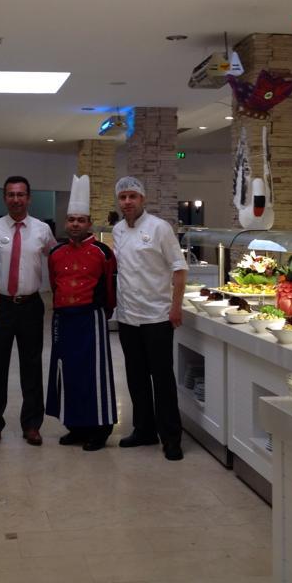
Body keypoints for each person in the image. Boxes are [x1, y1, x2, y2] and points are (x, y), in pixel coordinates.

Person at [112, 176, 188, 461]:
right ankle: (144, 430)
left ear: (142, 199)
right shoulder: (118, 230)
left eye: (132, 196)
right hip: (128, 317)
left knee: (163, 379)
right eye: (123, 197)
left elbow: (179, 270)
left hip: (157, 316)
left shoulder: (159, 228)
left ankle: (171, 438)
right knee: (136, 377)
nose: (127, 202)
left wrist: (176, 306)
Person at [0, 175, 57, 446]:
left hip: (31, 306)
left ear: (29, 198)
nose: (16, 199)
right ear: (5, 198)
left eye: (21, 194)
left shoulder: (42, 230)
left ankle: (32, 425)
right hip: (0, 306)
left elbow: (57, 259)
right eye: (11, 194)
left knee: (32, 367)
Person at [45, 175, 118, 451]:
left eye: (80, 220)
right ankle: (75, 426)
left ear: (88, 223)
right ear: (66, 223)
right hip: (63, 318)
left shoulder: (102, 252)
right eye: (71, 220)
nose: (75, 224)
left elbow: (110, 288)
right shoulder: (56, 253)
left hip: (91, 317)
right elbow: (54, 284)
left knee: (93, 372)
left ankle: (100, 428)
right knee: (67, 371)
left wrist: (105, 312)